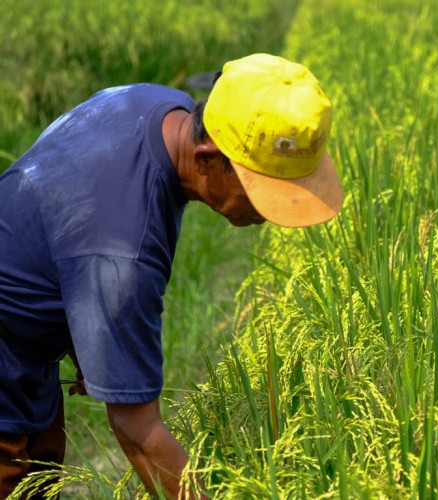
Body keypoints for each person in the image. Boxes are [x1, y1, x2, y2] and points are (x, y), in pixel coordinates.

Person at [0, 53, 343, 499]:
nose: (269, 215)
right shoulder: (123, 251)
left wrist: (88, 338)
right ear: (206, 158)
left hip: (27, 348)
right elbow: (137, 430)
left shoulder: (156, 104)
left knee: (42, 478)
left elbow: (58, 220)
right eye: (264, 194)